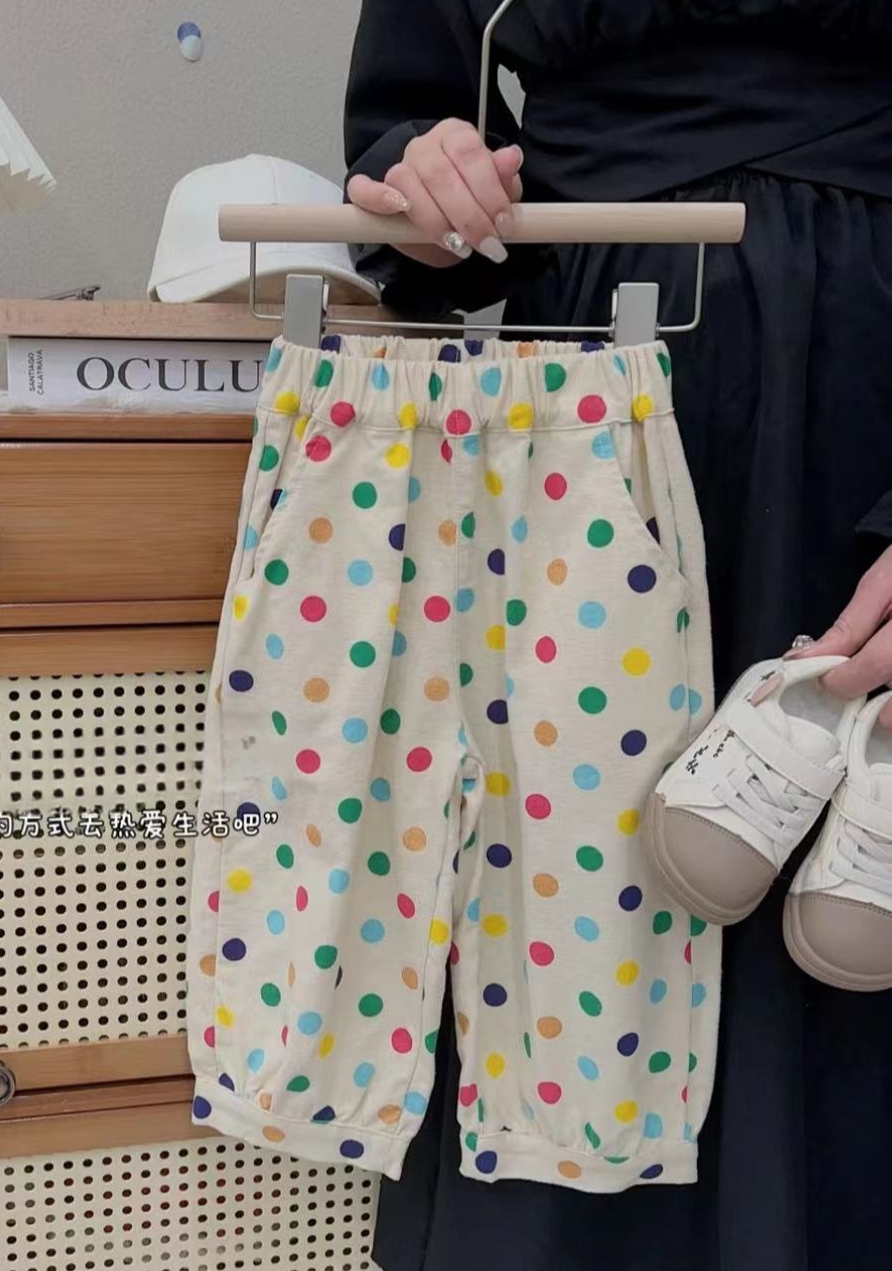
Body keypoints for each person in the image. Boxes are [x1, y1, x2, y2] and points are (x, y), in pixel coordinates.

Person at [340, 2, 892, 1269]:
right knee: (568, 903)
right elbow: (409, 131)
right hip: (577, 399)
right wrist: (429, 182)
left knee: (856, 893)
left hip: (868, 403)